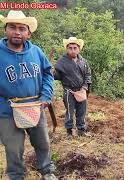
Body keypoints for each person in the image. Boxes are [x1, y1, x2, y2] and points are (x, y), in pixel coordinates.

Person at [0, 10, 57, 180]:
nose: (17, 32)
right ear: (5, 30)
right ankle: (16, 176)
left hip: (35, 105)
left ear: (29, 33)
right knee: (13, 148)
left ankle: (47, 171)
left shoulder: (36, 52)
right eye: (12, 27)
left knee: (42, 142)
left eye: (22, 28)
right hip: (7, 109)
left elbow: (48, 73)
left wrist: (46, 95)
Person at [54, 37, 91, 139]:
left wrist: (84, 88)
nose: (72, 50)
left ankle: (81, 130)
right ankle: (69, 132)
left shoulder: (83, 61)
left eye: (75, 48)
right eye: (70, 48)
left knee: (82, 111)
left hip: (81, 90)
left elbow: (88, 75)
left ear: (79, 49)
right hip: (69, 91)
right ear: (67, 49)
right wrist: (52, 72)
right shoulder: (62, 62)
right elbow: (56, 76)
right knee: (70, 112)